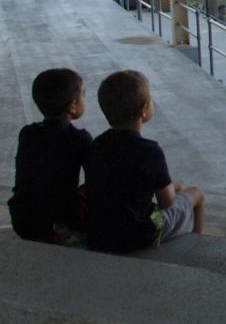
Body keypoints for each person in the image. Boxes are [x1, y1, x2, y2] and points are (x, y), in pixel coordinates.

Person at [86, 70, 205, 253]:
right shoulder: (149, 151)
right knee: (196, 194)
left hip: (100, 233)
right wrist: (172, 187)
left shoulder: (97, 144)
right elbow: (167, 202)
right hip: (140, 233)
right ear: (143, 110)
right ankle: (198, 245)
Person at [7, 69, 91, 244]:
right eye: (83, 96)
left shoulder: (28, 133)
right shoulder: (79, 138)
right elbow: (95, 178)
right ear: (73, 105)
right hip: (61, 221)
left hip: (23, 220)